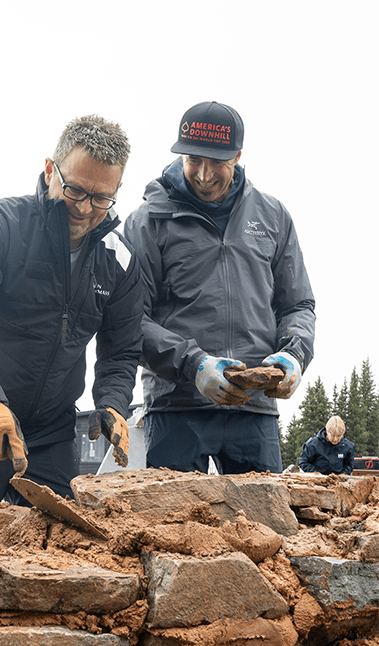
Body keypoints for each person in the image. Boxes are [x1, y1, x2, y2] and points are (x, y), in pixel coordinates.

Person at [0, 115, 143, 515]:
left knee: (60, 556)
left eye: (102, 198)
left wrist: (112, 402)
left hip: (50, 436)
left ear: (118, 189)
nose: (85, 209)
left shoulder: (120, 260)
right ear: (50, 168)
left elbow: (122, 349)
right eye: (74, 190)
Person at [124, 101, 315, 475]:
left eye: (218, 162)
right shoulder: (149, 222)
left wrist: (295, 354)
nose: (204, 174)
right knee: (173, 529)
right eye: (194, 159)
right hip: (176, 407)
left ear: (239, 156)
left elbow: (298, 304)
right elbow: (130, 319)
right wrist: (194, 365)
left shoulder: (272, 216)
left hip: (254, 411)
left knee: (265, 529)